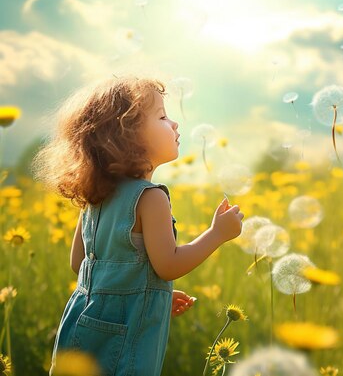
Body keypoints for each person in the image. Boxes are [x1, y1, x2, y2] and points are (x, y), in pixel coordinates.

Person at [33, 77, 244, 375]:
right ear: (126, 137)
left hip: (81, 320)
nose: (174, 124)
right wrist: (217, 234)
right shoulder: (151, 197)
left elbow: (79, 264)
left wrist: (145, 295)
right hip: (127, 339)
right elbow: (168, 266)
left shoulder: (95, 197)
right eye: (161, 117)